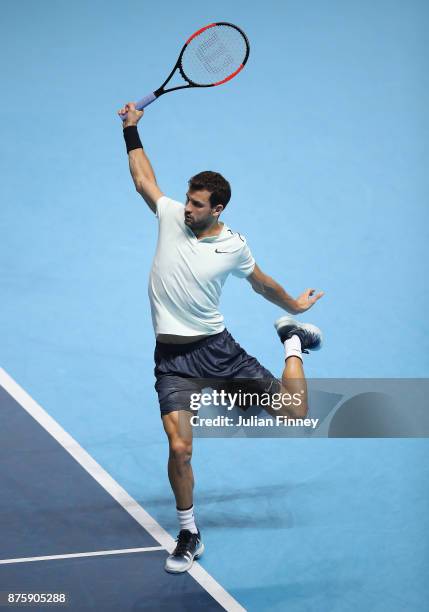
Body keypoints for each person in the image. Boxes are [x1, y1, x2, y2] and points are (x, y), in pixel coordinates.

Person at [118, 102, 324, 574]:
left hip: (217, 351)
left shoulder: (234, 247)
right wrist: (131, 130)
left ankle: (291, 340)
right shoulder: (170, 215)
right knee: (179, 448)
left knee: (296, 411)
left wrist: (293, 306)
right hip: (172, 359)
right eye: (188, 200)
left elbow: (262, 283)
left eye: (196, 204)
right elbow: (144, 180)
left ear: (218, 208)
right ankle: (189, 531)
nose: (186, 208)